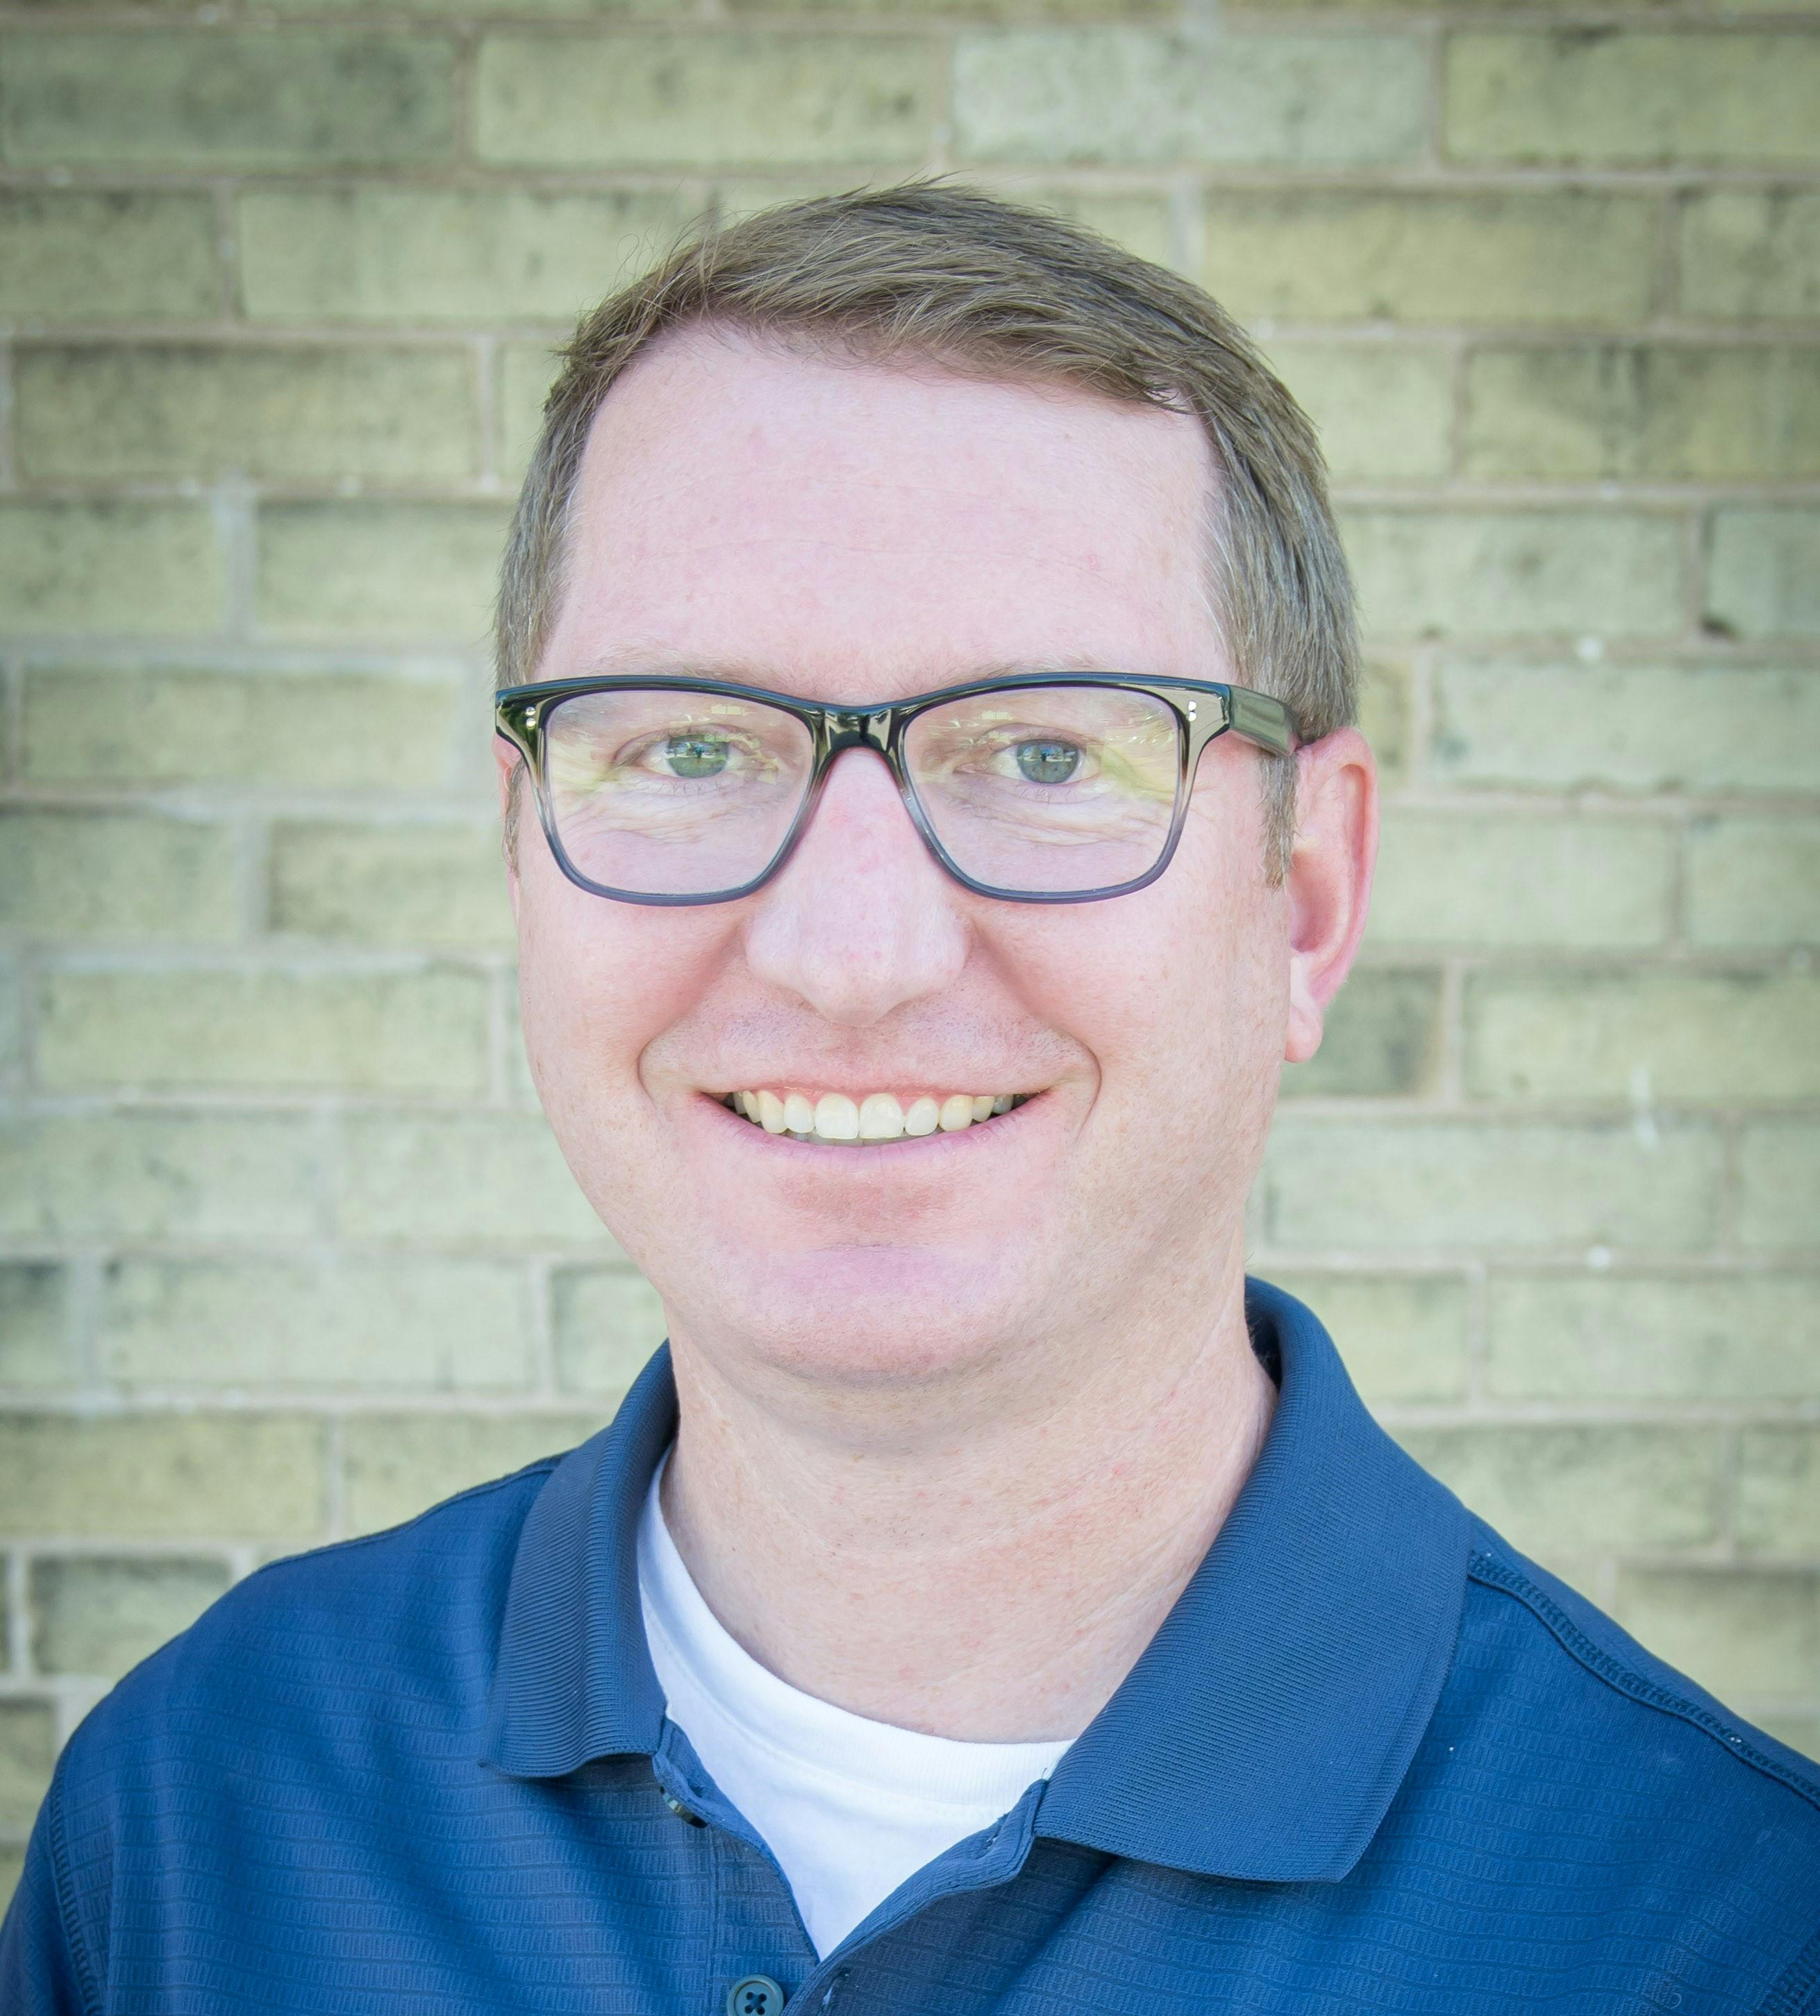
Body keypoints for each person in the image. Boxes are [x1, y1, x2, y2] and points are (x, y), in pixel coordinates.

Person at [4, 181, 1817, 2015]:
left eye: (1047, 751)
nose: (851, 955)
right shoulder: (200, 1824)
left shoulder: (1725, 1939)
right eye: (690, 747)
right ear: (522, 849)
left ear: (1309, 899)